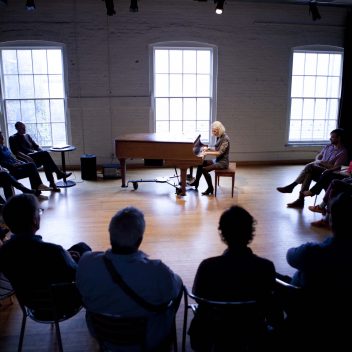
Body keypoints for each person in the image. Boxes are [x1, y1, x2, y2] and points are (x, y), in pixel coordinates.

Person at [76, 206, 183, 352]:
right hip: (147, 339)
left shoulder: (86, 262)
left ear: (110, 235)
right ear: (139, 240)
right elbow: (173, 292)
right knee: (177, 286)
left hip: (101, 333)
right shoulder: (157, 272)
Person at [188, 205, 279, 351]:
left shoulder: (208, 266)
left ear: (222, 234)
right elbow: (271, 308)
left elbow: (198, 296)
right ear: (251, 233)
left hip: (215, 333)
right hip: (252, 333)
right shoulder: (265, 267)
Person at [277, 192, 352, 351]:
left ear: (331, 221)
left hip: (307, 310)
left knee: (269, 275)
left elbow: (290, 255)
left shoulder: (314, 252)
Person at [0, 194, 91, 300]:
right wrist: (69, 258)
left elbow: (32, 263)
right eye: (39, 211)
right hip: (60, 302)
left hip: (30, 302)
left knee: (79, 247)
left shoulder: (3, 252)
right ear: (34, 220)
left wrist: (65, 256)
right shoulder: (54, 251)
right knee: (84, 250)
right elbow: (76, 273)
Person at [276, 128, 348, 208]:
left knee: (310, 166)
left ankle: (292, 186)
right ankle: (300, 200)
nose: (330, 138)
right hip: (317, 169)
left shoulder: (343, 152)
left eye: (332, 137)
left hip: (328, 173)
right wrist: (317, 160)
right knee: (308, 173)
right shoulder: (328, 146)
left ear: (339, 138)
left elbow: (335, 168)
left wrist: (321, 162)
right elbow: (319, 155)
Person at [9, 122, 72, 192]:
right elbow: (16, 153)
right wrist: (28, 157)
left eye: (24, 127)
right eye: (22, 127)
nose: (24, 128)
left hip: (33, 157)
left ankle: (52, 182)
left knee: (46, 159)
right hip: (25, 160)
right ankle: (57, 175)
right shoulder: (13, 138)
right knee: (45, 156)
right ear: (17, 128)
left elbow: (36, 146)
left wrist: (41, 151)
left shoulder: (27, 136)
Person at [189, 121, 230, 196]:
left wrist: (207, 152)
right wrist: (208, 149)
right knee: (201, 163)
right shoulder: (220, 136)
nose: (213, 133)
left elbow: (219, 153)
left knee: (204, 170)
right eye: (213, 131)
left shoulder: (225, 139)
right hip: (217, 161)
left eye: (215, 131)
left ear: (219, 129)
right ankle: (196, 182)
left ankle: (210, 188)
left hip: (222, 163)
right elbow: (216, 149)